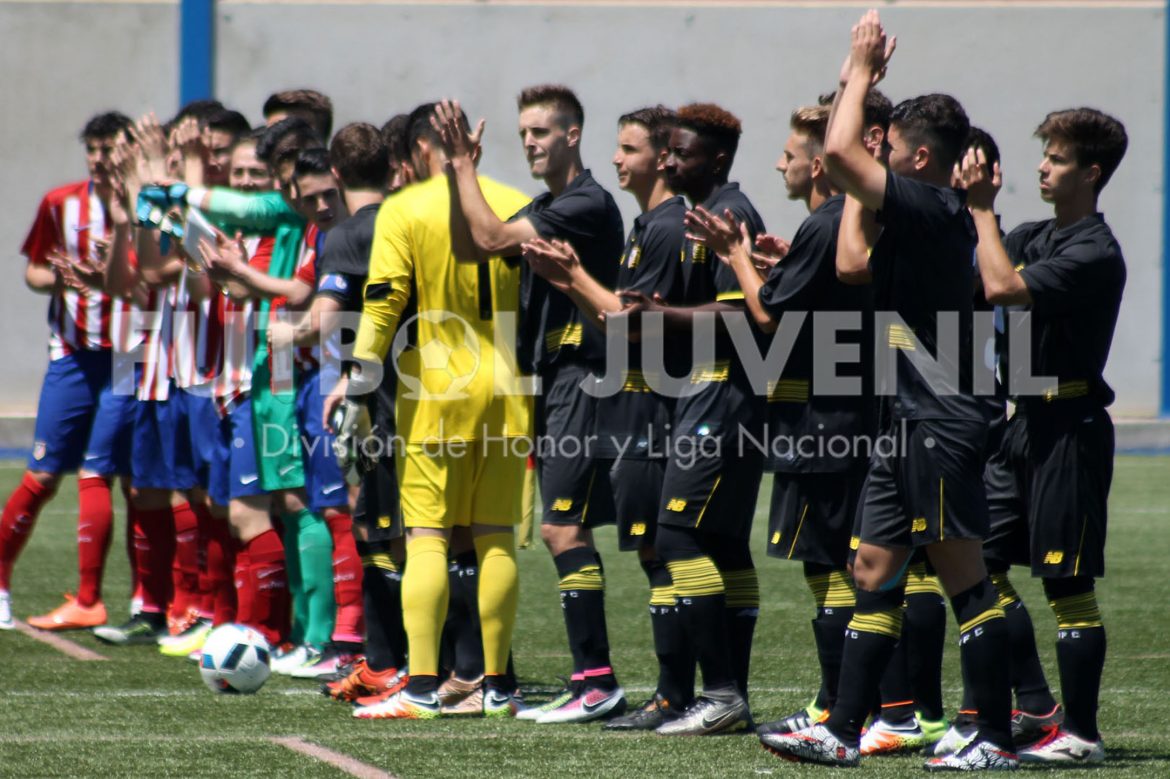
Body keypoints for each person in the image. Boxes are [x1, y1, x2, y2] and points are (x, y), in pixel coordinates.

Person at [761, 11, 1016, 771]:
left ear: (922, 156)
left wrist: (859, 68)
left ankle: (995, 734)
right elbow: (847, 262)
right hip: (900, 418)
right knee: (872, 572)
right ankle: (843, 730)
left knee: (968, 579)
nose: (881, 157)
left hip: (939, 416)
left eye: (893, 149)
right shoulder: (904, 208)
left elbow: (835, 153)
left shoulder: (935, 207)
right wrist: (861, 159)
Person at [434, 86, 628, 723]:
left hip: (582, 374)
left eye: (540, 132)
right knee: (557, 528)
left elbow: (487, 238)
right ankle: (587, 679)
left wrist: (464, 165)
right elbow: (473, 245)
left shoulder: (584, 202)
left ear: (573, 134)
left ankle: (597, 681)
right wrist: (458, 178)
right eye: (523, 134)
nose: (528, 143)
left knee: (563, 527)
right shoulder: (550, 205)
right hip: (549, 378)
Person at [686, 103, 875, 741]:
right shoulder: (831, 226)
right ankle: (858, 706)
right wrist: (774, 266)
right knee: (835, 566)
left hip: (825, 421)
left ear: (819, 164)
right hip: (824, 417)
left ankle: (837, 708)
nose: (779, 163)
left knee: (828, 568)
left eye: (790, 154)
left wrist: (735, 255)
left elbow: (767, 319)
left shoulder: (827, 224)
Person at [340, 102, 531, 720]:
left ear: (422, 149)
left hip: (438, 387)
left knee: (425, 537)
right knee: (495, 536)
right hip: (506, 384)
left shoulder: (405, 209)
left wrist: (356, 386)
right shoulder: (511, 198)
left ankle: (421, 688)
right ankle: (496, 686)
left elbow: (383, 303)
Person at [959, 107, 1127, 765]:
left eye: (1055, 158)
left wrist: (979, 211)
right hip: (1020, 427)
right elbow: (976, 273)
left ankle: (1082, 735)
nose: (1041, 167)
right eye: (1043, 155)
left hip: (1071, 429)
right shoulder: (1036, 234)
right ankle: (1031, 704)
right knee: (980, 563)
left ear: (1090, 172)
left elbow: (1001, 286)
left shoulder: (1094, 249)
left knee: (1067, 586)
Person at [523, 105, 697, 730]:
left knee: (657, 546)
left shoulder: (668, 225)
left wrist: (570, 276)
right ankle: (611, 683)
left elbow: (633, 323)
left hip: (648, 400)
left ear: (662, 157)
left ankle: (684, 693)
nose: (617, 158)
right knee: (640, 542)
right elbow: (617, 317)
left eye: (628, 149)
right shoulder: (645, 225)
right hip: (621, 394)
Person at [624, 102, 767, 736]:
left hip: (724, 394)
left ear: (717, 160)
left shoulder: (729, 214)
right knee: (724, 546)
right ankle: (719, 697)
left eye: (681, 152)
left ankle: (724, 693)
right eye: (668, 150)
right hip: (710, 395)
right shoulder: (700, 214)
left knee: (679, 539)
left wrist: (660, 315)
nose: (668, 160)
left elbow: (738, 317)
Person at [0, 112, 138, 632]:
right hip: (73, 355)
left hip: (130, 356)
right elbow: (33, 270)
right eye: (94, 150)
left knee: (122, 478)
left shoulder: (149, 207)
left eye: (112, 149)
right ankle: (1, 586)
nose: (102, 160)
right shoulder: (62, 203)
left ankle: (111, 600)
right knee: (41, 475)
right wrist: (59, 279)